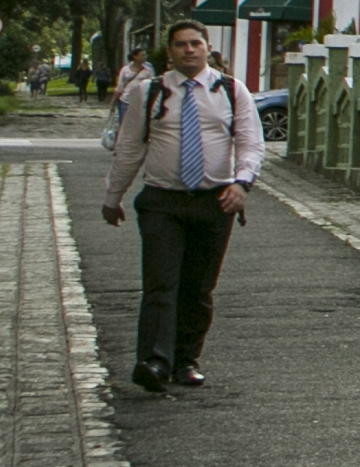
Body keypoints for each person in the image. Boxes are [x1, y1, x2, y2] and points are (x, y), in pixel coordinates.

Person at [101, 22, 262, 394]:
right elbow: (129, 148)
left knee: (198, 287)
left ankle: (186, 359)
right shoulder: (149, 92)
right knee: (160, 284)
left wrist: (242, 183)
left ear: (207, 47)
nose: (188, 50)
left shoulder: (232, 91)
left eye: (195, 43)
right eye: (180, 45)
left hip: (214, 201)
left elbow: (251, 143)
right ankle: (154, 361)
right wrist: (113, 198)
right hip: (163, 201)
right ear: (169, 52)